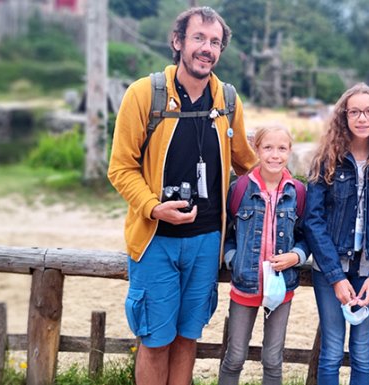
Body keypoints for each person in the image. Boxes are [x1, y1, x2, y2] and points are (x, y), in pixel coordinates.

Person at [107, 7, 256, 385]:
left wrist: (292, 186)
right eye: (199, 39)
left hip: (207, 240)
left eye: (215, 42)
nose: (207, 49)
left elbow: (247, 165)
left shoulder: (227, 100)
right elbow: (120, 168)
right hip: (156, 238)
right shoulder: (145, 94)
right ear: (178, 42)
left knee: (188, 337)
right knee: (155, 341)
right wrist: (154, 207)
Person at [304, 83, 369, 385]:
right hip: (330, 269)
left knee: (362, 351)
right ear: (344, 117)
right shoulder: (326, 161)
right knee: (332, 350)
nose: (362, 118)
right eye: (355, 112)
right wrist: (335, 276)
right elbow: (313, 219)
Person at [218, 124, 309, 385]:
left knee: (272, 359)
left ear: (290, 151)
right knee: (234, 356)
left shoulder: (298, 192)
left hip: (281, 288)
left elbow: (306, 236)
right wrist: (234, 259)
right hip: (245, 286)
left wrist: (296, 256)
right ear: (256, 150)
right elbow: (225, 234)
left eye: (282, 148)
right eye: (268, 147)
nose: (275, 155)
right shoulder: (239, 189)